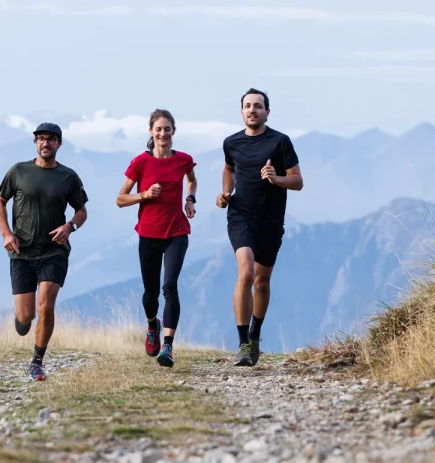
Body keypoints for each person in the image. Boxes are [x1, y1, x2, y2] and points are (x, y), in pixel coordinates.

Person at [0, 122, 89, 380]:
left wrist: (70, 226)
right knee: (26, 317)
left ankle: (37, 361)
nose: (45, 143)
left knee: (46, 305)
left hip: (54, 251)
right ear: (35, 143)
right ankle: (23, 321)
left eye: (51, 139)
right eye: (41, 139)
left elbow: (82, 212)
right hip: (21, 251)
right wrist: (6, 234)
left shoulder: (68, 176)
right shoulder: (19, 171)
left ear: (59, 144)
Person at [216, 88, 303, 366]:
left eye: (258, 106)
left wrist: (276, 179)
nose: (252, 110)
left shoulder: (280, 142)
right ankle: (243, 344)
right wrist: (226, 193)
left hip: (271, 221)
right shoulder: (231, 142)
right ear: (241, 111)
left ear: (267, 112)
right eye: (247, 106)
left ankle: (255, 336)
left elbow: (298, 181)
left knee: (262, 282)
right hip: (240, 216)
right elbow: (229, 169)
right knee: (246, 272)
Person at [116, 109, 197, 368]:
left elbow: (192, 181)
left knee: (170, 287)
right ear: (151, 132)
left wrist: (190, 199)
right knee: (150, 294)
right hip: (149, 233)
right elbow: (120, 199)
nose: (163, 133)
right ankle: (153, 325)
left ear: (174, 132)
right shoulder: (140, 162)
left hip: (177, 231)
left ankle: (168, 347)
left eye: (167, 129)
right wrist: (144, 195)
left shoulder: (184, 160)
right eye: (158, 129)